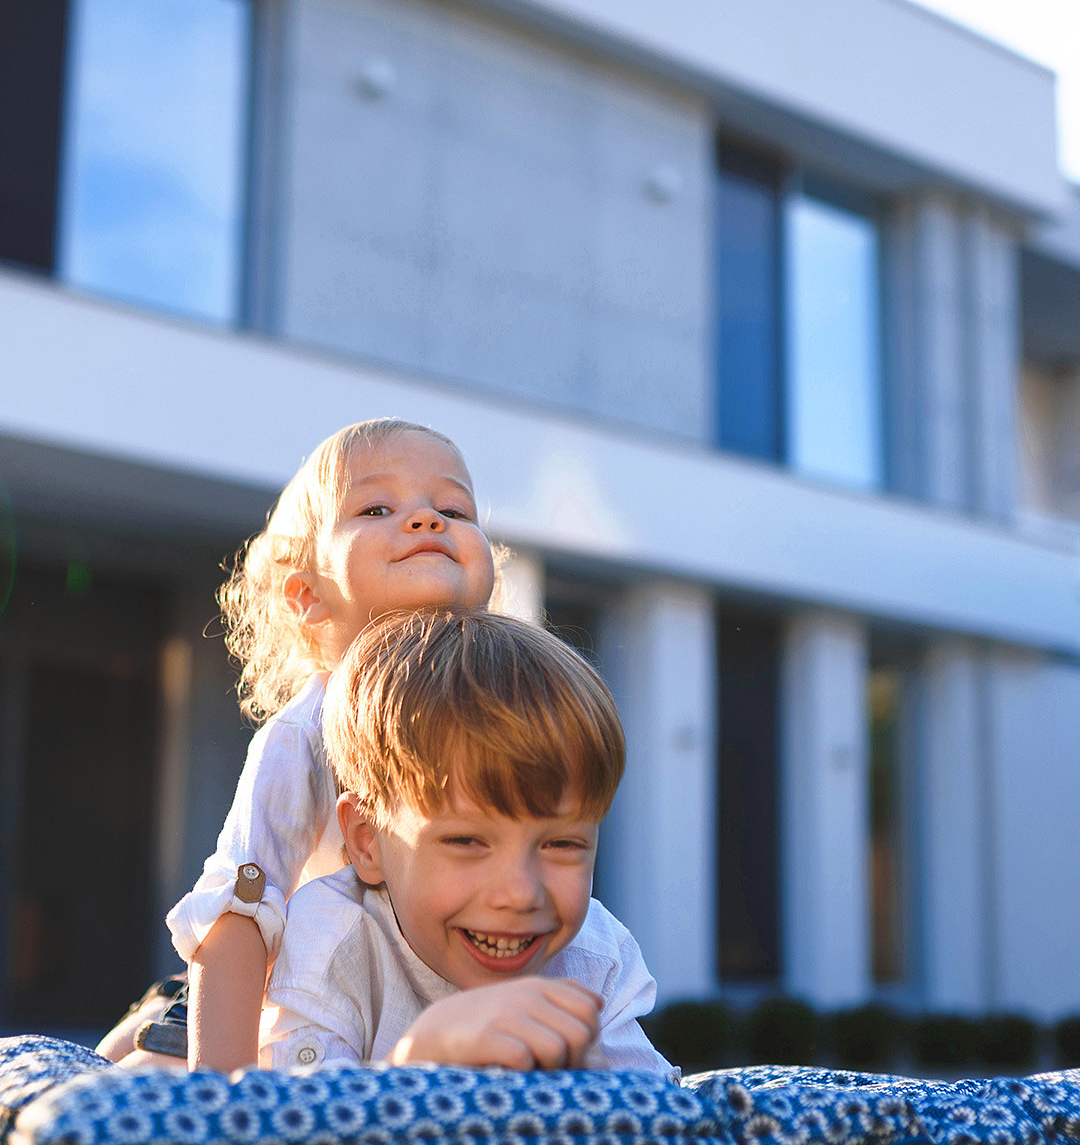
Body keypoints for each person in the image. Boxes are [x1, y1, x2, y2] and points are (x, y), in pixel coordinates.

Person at [97, 419, 500, 1071]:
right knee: (123, 1077)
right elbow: (240, 909)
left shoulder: (511, 714)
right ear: (308, 596)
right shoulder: (307, 735)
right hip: (293, 1014)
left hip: (426, 1009)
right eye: (377, 508)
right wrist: (225, 1093)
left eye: (453, 510)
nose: (427, 519)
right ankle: (156, 1020)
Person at [260, 606, 674, 1074]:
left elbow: (659, 1111)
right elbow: (296, 1112)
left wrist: (598, 1087)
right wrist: (417, 1059)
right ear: (367, 841)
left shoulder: (595, 957)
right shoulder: (332, 940)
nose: (520, 894)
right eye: (466, 841)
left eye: (561, 844)